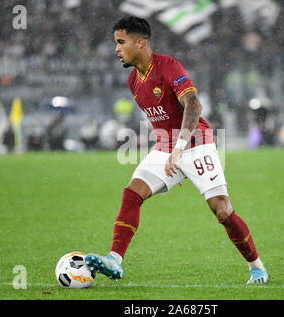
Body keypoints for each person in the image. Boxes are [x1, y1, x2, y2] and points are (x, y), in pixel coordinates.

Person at [84, 16, 268, 284]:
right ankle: (114, 259)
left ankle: (257, 266)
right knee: (132, 193)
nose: (116, 49)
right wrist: (169, 151)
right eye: (116, 43)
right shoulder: (133, 81)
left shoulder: (168, 65)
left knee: (222, 211)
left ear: (140, 42)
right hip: (166, 148)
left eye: (121, 42)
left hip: (196, 143)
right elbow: (162, 119)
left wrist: (179, 148)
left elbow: (193, 104)